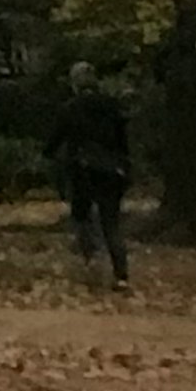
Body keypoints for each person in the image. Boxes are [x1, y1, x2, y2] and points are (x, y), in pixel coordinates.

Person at [46, 68, 134, 288]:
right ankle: (121, 274)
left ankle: (92, 264)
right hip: (113, 171)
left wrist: (49, 154)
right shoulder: (112, 106)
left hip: (83, 171)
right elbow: (123, 141)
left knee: (82, 217)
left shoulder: (70, 108)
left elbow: (55, 140)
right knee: (111, 223)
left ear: (75, 85)